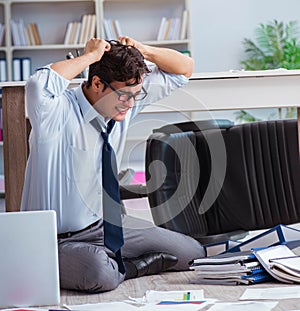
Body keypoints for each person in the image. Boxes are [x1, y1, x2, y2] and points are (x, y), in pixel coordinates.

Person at [21, 36, 205, 293]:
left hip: (101, 228)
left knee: (192, 252)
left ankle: (116, 264)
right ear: (97, 83)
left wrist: (143, 50)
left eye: (135, 95)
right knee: (97, 271)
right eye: (124, 96)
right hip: (52, 240)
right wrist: (90, 57)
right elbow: (37, 84)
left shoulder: (124, 101)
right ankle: (131, 268)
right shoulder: (55, 112)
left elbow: (185, 68)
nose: (130, 105)